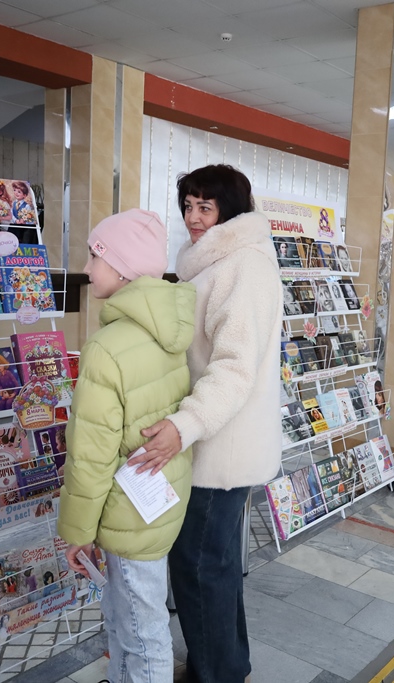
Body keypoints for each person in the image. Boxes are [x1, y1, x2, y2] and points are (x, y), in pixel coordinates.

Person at [131, 164, 284, 683]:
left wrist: (185, 424)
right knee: (213, 567)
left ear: (229, 210)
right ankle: (222, 666)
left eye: (205, 207)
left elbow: (234, 368)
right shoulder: (216, 260)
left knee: (199, 567)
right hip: (213, 439)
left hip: (221, 446)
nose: (193, 217)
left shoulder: (243, 266)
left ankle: (216, 673)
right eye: (188, 206)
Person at [56, 208, 196, 683]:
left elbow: (91, 454)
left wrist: (78, 530)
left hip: (126, 510)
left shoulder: (107, 347)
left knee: (140, 630)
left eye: (94, 257)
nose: (87, 268)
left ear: (121, 268)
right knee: (130, 621)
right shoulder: (169, 333)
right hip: (159, 501)